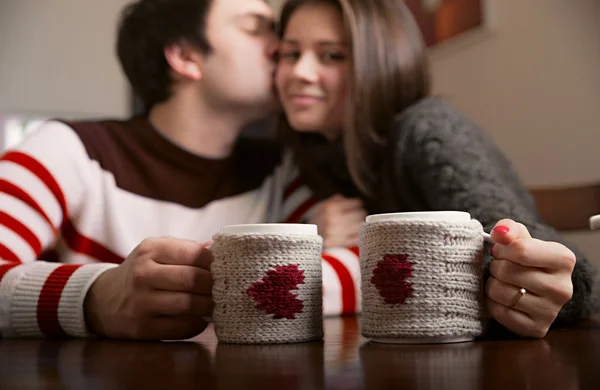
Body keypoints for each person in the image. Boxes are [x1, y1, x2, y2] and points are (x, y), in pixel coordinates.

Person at [0, 0, 360, 340]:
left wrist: (276, 266)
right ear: (186, 55)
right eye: (255, 30)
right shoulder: (70, 151)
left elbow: (377, 270)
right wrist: (95, 297)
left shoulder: (278, 169)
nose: (279, 48)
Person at [274, 0, 599, 337]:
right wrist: (309, 231)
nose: (300, 72)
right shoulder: (308, 152)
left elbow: (526, 241)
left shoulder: (428, 131)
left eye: (332, 55)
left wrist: (564, 286)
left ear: (381, 62)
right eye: (289, 53)